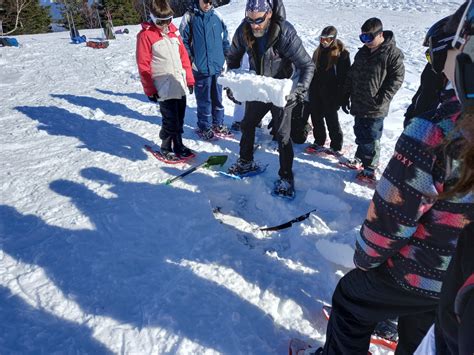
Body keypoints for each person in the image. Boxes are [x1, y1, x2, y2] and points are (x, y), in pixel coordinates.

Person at [317, 4, 474, 354]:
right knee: (421, 326)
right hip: (456, 283)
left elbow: (390, 219)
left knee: (350, 300)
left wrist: (365, 261)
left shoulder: (436, 130)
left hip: (422, 272)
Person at [226, 0, 315, 198]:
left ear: (269, 14)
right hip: (259, 86)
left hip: (282, 89)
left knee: (283, 136)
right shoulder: (243, 30)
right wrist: (233, 84)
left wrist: (298, 91)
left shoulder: (284, 32)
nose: (254, 25)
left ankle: (286, 178)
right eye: (250, 20)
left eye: (258, 20)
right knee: (247, 124)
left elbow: (307, 65)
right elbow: (232, 57)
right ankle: (246, 161)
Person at [341, 17, 405, 182]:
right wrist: (345, 95)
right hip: (359, 101)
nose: (366, 41)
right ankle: (360, 158)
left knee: (371, 136)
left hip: (376, 106)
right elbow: (351, 74)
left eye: (369, 38)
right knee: (360, 132)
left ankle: (370, 168)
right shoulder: (362, 52)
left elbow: (397, 79)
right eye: (363, 38)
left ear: (380, 34)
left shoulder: (392, 53)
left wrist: (381, 99)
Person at [136, 0, 195, 161]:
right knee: (170, 120)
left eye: (168, 20)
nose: (164, 25)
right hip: (163, 87)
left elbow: (184, 58)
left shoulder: (174, 33)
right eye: (160, 22)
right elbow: (143, 65)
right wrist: (150, 89)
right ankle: (165, 146)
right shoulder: (146, 36)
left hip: (178, 82)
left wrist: (189, 80)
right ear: (153, 18)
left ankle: (178, 145)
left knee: (180, 118)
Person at [180, 0, 231, 140]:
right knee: (204, 100)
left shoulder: (217, 16)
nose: (207, 4)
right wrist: (191, 61)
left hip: (217, 66)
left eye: (210, 1)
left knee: (218, 98)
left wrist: (226, 58)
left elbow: (225, 38)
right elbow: (182, 42)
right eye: (205, 1)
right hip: (200, 68)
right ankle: (204, 127)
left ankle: (218, 124)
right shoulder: (190, 17)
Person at [307, 26, 350, 154]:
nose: (324, 42)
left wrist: (343, 95)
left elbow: (344, 77)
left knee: (331, 118)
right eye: (322, 39)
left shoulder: (341, 54)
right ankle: (319, 140)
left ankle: (336, 145)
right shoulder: (317, 52)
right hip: (316, 90)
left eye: (328, 39)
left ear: (334, 39)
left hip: (332, 92)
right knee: (316, 116)